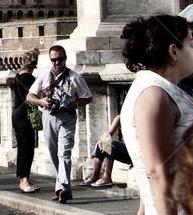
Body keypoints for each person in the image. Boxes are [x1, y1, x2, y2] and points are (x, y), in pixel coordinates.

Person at [120, 14, 193, 215]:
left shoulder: (161, 90)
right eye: (191, 44)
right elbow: (156, 174)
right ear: (173, 51)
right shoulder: (154, 95)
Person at [26, 44, 93, 204]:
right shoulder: (44, 77)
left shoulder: (75, 78)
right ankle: (64, 188)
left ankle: (62, 187)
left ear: (65, 59)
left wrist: (74, 104)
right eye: (54, 60)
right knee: (53, 152)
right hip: (48, 116)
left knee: (64, 152)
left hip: (67, 117)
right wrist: (41, 101)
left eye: (59, 59)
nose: (57, 63)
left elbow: (88, 97)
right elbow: (29, 96)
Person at [10, 49, 40, 194]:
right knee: (26, 149)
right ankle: (24, 180)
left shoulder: (18, 76)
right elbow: (32, 96)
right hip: (25, 115)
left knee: (23, 148)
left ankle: (23, 179)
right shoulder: (28, 77)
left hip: (17, 113)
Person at [82, 114, 132, 187]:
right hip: (127, 151)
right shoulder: (121, 117)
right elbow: (109, 133)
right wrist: (103, 140)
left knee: (111, 144)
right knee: (103, 142)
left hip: (137, 152)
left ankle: (107, 177)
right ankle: (94, 176)